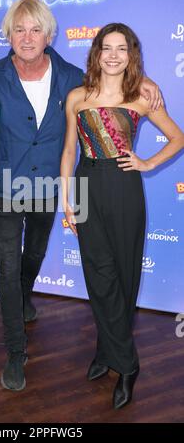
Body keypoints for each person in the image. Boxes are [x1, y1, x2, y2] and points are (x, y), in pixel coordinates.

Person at [0, 0, 162, 392]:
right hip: (6, 189)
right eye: (19, 30)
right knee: (7, 270)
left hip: (48, 188)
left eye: (35, 30)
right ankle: (15, 352)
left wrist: (146, 82)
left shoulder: (72, 76)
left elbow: (113, 82)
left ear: (48, 34)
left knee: (33, 257)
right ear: (8, 34)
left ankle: (26, 296)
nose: (27, 38)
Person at [61, 23, 184, 409]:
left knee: (125, 274)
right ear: (95, 53)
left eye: (122, 49)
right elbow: (68, 150)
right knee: (98, 276)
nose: (113, 55)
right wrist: (68, 196)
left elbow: (178, 138)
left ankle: (110, 353)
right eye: (106, 48)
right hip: (87, 184)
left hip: (125, 187)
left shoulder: (143, 98)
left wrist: (147, 162)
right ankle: (126, 363)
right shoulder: (77, 97)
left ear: (132, 55)